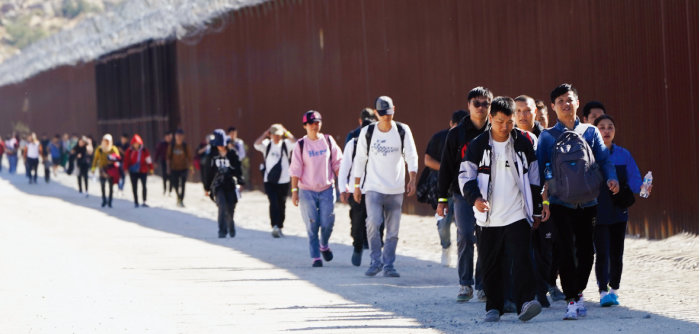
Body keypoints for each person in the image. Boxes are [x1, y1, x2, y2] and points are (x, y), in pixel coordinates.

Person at [537, 83, 619, 320]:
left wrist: (612, 178)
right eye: (560, 100)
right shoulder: (547, 136)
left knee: (586, 253)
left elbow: (604, 159)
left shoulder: (590, 132)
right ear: (553, 106)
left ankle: (578, 290)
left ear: (577, 102)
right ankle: (572, 299)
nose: (566, 104)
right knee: (564, 251)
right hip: (560, 203)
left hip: (589, 202)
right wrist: (542, 201)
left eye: (569, 99)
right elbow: (539, 171)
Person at [459, 96, 543, 322]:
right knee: (490, 262)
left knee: (522, 258)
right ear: (490, 119)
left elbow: (534, 179)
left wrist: (535, 210)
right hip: (488, 217)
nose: (505, 127)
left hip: (517, 212)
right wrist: (475, 198)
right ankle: (493, 307)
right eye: (499, 122)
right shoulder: (477, 145)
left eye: (509, 122)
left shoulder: (524, 143)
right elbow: (465, 176)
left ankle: (525, 302)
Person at [352, 96, 418, 278]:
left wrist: (412, 179)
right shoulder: (368, 132)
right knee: (373, 223)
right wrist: (357, 186)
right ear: (376, 113)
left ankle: (389, 264)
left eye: (388, 113)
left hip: (396, 189)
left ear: (394, 110)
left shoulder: (402, 130)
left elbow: (411, 155)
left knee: (393, 230)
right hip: (373, 187)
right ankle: (375, 261)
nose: (385, 117)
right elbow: (360, 160)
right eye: (382, 114)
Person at [437, 86, 491, 302]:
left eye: (485, 103)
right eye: (476, 103)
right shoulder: (456, 134)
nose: (481, 107)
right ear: (468, 106)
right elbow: (446, 168)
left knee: (485, 238)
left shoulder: (495, 131)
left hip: (489, 193)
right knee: (466, 235)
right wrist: (442, 199)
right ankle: (465, 284)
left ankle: (482, 285)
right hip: (462, 194)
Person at [593, 114, 642, 307]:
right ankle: (602, 291)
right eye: (602, 127)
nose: (606, 131)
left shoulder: (624, 154)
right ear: (595, 131)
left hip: (619, 212)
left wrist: (643, 188)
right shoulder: (591, 154)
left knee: (617, 253)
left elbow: (635, 180)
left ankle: (614, 289)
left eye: (610, 127)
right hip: (597, 211)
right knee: (602, 253)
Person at [289, 110, 343, 268]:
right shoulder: (300, 145)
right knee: (312, 224)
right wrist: (294, 192)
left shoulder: (328, 141)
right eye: (311, 123)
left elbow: (338, 164)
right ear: (305, 125)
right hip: (307, 190)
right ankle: (315, 257)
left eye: (317, 122)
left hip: (326, 188)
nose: (315, 125)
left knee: (327, 222)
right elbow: (295, 170)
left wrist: (343, 185)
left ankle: (324, 245)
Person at [424, 110, 467, 267]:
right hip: (443, 190)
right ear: (450, 124)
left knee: (463, 226)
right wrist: (446, 168)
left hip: (463, 191)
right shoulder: (439, 137)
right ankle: (445, 247)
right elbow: (427, 160)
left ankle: (461, 255)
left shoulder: (469, 137)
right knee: (443, 225)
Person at [339, 108, 380, 266]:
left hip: (376, 189)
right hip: (357, 190)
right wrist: (343, 189)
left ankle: (376, 252)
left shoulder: (379, 145)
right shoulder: (353, 144)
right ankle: (357, 246)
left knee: (376, 222)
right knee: (357, 221)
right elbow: (344, 167)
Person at [254, 124, 296, 238]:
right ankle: (274, 226)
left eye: (278, 135)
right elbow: (256, 144)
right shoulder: (267, 145)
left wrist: (286, 132)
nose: (276, 137)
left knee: (282, 204)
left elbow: (296, 142)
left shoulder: (286, 144)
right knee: (273, 202)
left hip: (284, 180)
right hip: (270, 180)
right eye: (274, 134)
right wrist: (265, 134)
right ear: (271, 135)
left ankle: (280, 226)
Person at [205, 129, 244, 238]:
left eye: (222, 145)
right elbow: (208, 172)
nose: (221, 147)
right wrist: (206, 188)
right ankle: (222, 231)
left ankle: (231, 226)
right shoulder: (212, 155)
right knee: (222, 205)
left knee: (230, 208)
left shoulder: (232, 154)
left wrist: (241, 182)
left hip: (231, 184)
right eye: (219, 145)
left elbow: (238, 169)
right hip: (218, 185)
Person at [123, 134, 154, 208]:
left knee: (144, 186)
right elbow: (126, 160)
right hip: (133, 171)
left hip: (143, 170)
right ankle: (136, 201)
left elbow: (148, 160)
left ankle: (144, 201)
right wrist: (125, 169)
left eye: (137, 144)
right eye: (135, 144)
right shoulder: (129, 151)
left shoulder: (144, 150)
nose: (136, 145)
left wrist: (151, 168)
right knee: (134, 187)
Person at [91, 134, 121, 208]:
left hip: (110, 169)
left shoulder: (113, 149)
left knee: (111, 186)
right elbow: (95, 159)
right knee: (103, 185)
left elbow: (118, 157)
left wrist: (112, 159)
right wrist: (93, 168)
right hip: (102, 169)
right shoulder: (99, 149)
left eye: (108, 141)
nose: (106, 143)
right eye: (105, 141)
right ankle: (104, 200)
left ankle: (110, 201)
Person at [167, 129, 193, 207]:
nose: (179, 138)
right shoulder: (171, 146)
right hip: (174, 168)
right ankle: (178, 196)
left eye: (180, 136)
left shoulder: (185, 146)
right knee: (175, 184)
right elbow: (168, 158)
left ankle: (181, 199)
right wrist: (168, 168)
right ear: (175, 137)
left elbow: (190, 158)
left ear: (183, 137)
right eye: (177, 136)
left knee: (183, 184)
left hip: (183, 168)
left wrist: (191, 168)